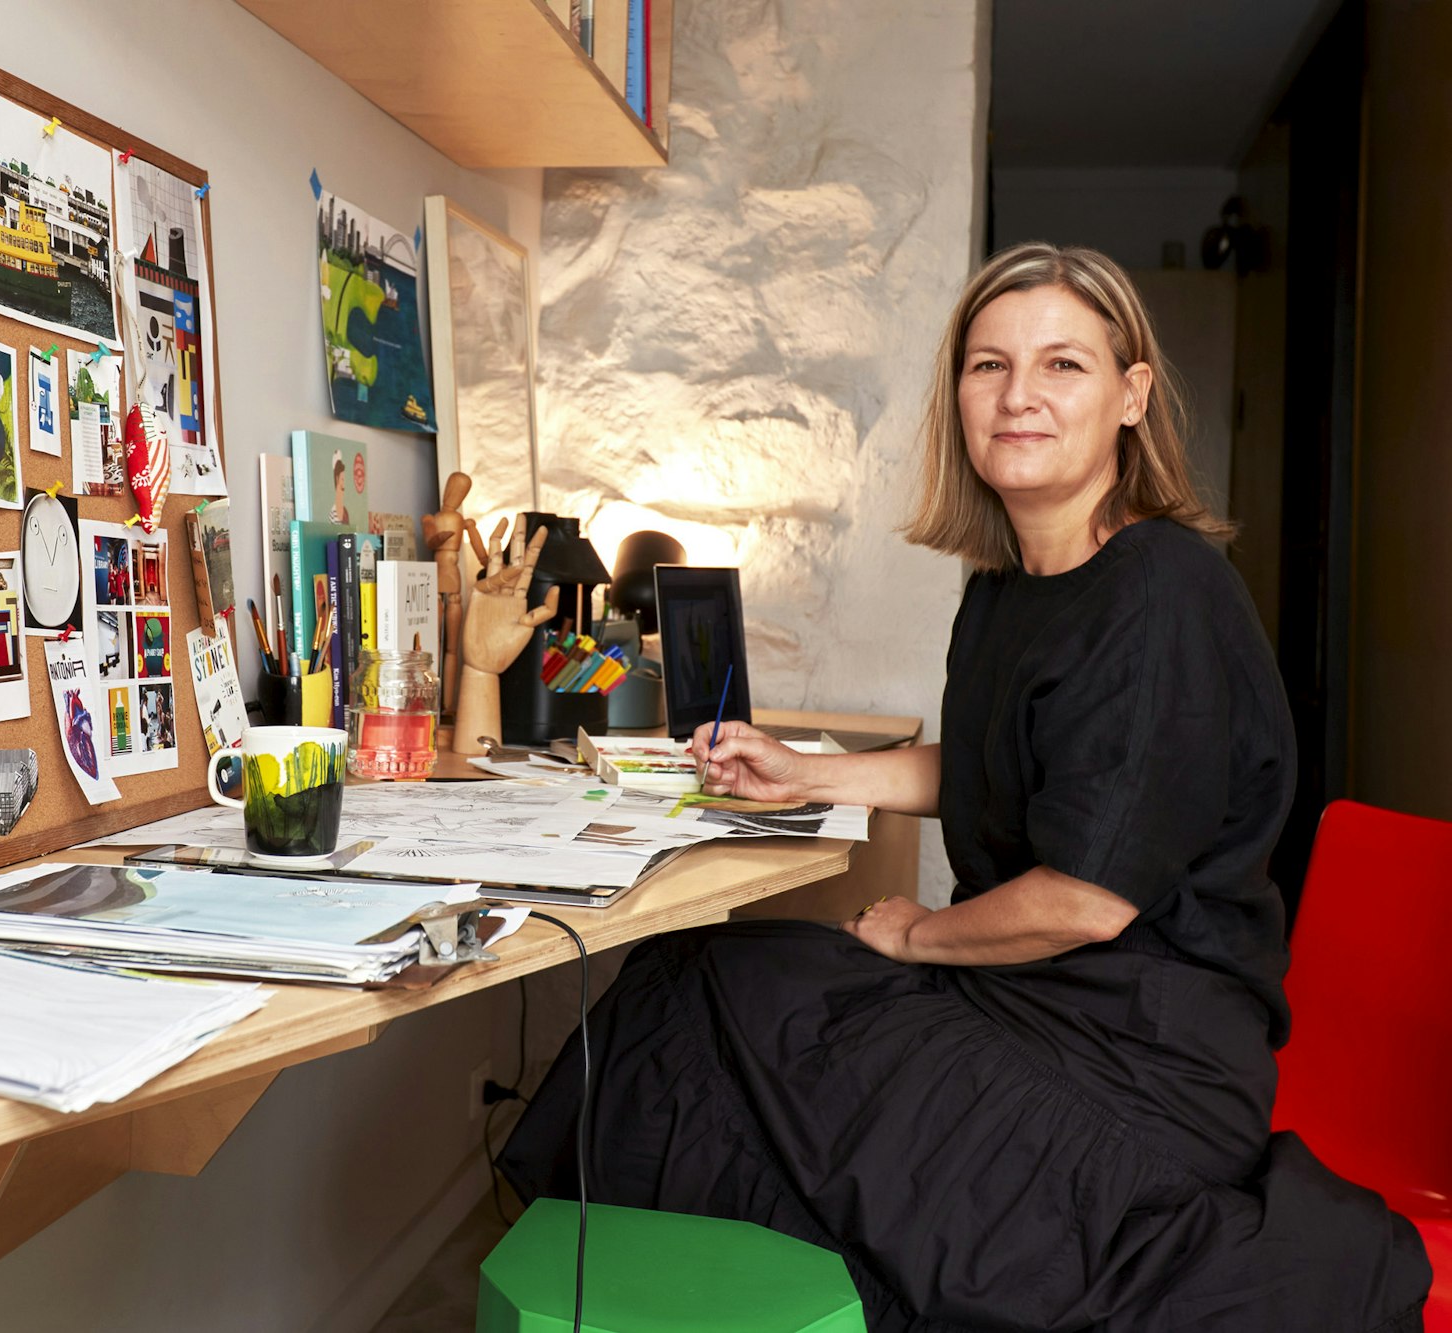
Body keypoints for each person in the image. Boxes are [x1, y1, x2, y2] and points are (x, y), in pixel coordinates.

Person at [500, 243, 1431, 1331]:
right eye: (988, 365)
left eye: (1062, 365)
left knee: (729, 1001)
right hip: (1029, 1006)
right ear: (958, 396)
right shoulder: (1005, 589)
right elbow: (994, 767)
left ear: (1131, 396)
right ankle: (667, 1295)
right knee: (699, 980)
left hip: (1135, 1060)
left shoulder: (1160, 594)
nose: (1018, 395)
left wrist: (909, 939)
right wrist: (803, 770)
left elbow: (1085, 896)